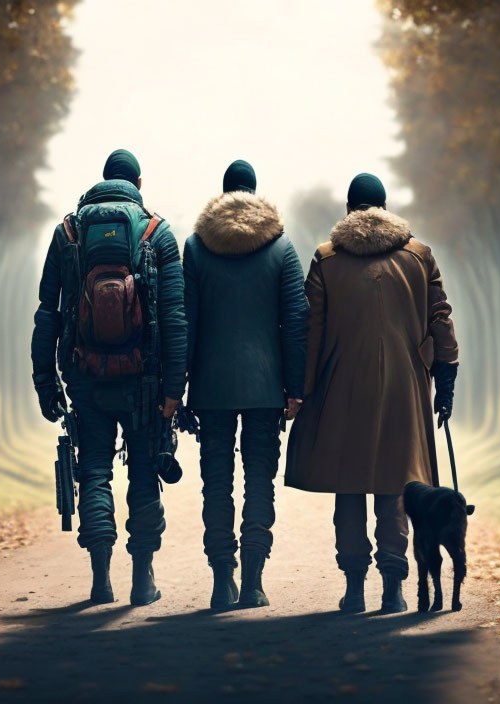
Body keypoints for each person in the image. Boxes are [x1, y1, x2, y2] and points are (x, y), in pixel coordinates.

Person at [285, 173, 459, 614]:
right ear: (384, 208)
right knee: (397, 486)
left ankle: (354, 587)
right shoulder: (419, 256)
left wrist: (300, 392)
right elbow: (440, 318)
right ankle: (395, 587)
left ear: (349, 211)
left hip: (343, 387)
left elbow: (311, 333)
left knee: (350, 486)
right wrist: (447, 377)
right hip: (406, 388)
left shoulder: (326, 260)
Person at [31, 149, 186, 605]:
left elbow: (49, 313)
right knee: (143, 472)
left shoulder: (69, 233)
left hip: (85, 376)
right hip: (145, 381)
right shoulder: (158, 233)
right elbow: (175, 319)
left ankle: (101, 579)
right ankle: (143, 579)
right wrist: (175, 389)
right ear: (138, 181)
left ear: (102, 181)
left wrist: (45, 379)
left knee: (94, 471)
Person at [183, 160, 308, 609]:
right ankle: (254, 582)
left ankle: (222, 581)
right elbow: (296, 322)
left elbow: (185, 324)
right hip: (265, 387)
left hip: (211, 390)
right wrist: (296, 387)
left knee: (216, 482)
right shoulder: (282, 248)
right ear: (255, 195)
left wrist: (177, 388)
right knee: (259, 480)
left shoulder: (196, 249)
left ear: (223, 196)